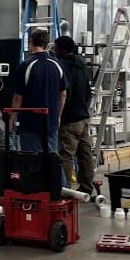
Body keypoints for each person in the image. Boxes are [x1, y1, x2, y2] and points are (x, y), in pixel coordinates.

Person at [11, 28, 67, 152]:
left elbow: (18, 97)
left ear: (30, 42)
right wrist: (58, 117)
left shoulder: (26, 65)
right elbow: (63, 94)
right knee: (52, 161)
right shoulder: (57, 64)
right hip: (51, 122)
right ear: (46, 44)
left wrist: (11, 119)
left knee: (32, 162)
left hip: (30, 123)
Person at [54, 35, 94, 196]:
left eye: (56, 48)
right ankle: (86, 187)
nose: (54, 51)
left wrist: (58, 116)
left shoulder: (62, 67)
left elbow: (63, 94)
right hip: (84, 117)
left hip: (69, 119)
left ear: (63, 49)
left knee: (66, 155)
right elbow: (88, 92)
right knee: (85, 155)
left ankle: (66, 190)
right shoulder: (82, 65)